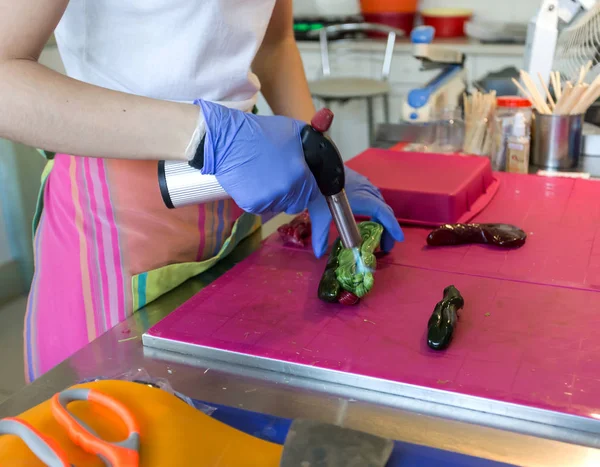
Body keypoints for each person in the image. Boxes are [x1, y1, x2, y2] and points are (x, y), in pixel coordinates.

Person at [0, 0, 404, 382]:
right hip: (116, 216)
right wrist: (208, 135)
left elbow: (274, 43)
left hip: (233, 208)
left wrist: (318, 160)